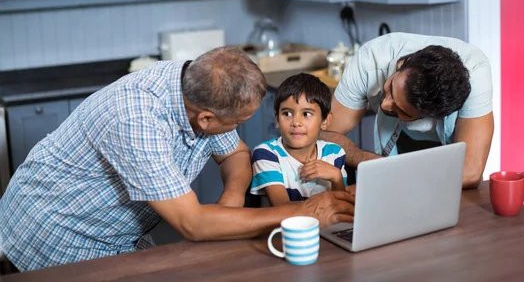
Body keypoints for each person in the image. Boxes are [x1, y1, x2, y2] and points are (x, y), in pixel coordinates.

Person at [0, 48, 354, 272]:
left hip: (122, 235)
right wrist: (305, 211)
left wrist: (230, 202)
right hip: (57, 234)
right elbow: (192, 224)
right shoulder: (137, 119)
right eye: (237, 124)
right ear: (206, 120)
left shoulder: (199, 83)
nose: (240, 131)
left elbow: (235, 154)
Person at [320, 32, 494, 189]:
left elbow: (470, 173)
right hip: (399, 146)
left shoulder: (475, 74)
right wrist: (366, 160)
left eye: (401, 109)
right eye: (391, 88)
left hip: (443, 152)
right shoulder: (370, 60)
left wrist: (401, 174)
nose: (385, 105)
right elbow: (322, 134)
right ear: (404, 63)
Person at [251, 73, 347, 206]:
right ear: (277, 118)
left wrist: (337, 178)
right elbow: (283, 208)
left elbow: (341, 206)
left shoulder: (335, 153)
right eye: (287, 113)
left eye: (306, 114)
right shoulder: (267, 154)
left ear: (325, 120)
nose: (296, 122)